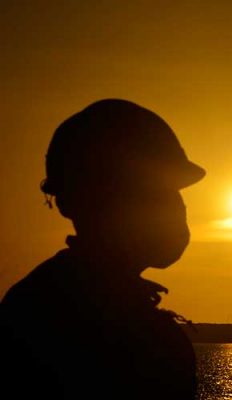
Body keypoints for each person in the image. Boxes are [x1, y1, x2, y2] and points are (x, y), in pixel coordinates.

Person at [1, 99, 205, 399]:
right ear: (95, 201)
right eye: (152, 191)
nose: (174, 206)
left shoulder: (51, 301)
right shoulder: (59, 320)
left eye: (172, 191)